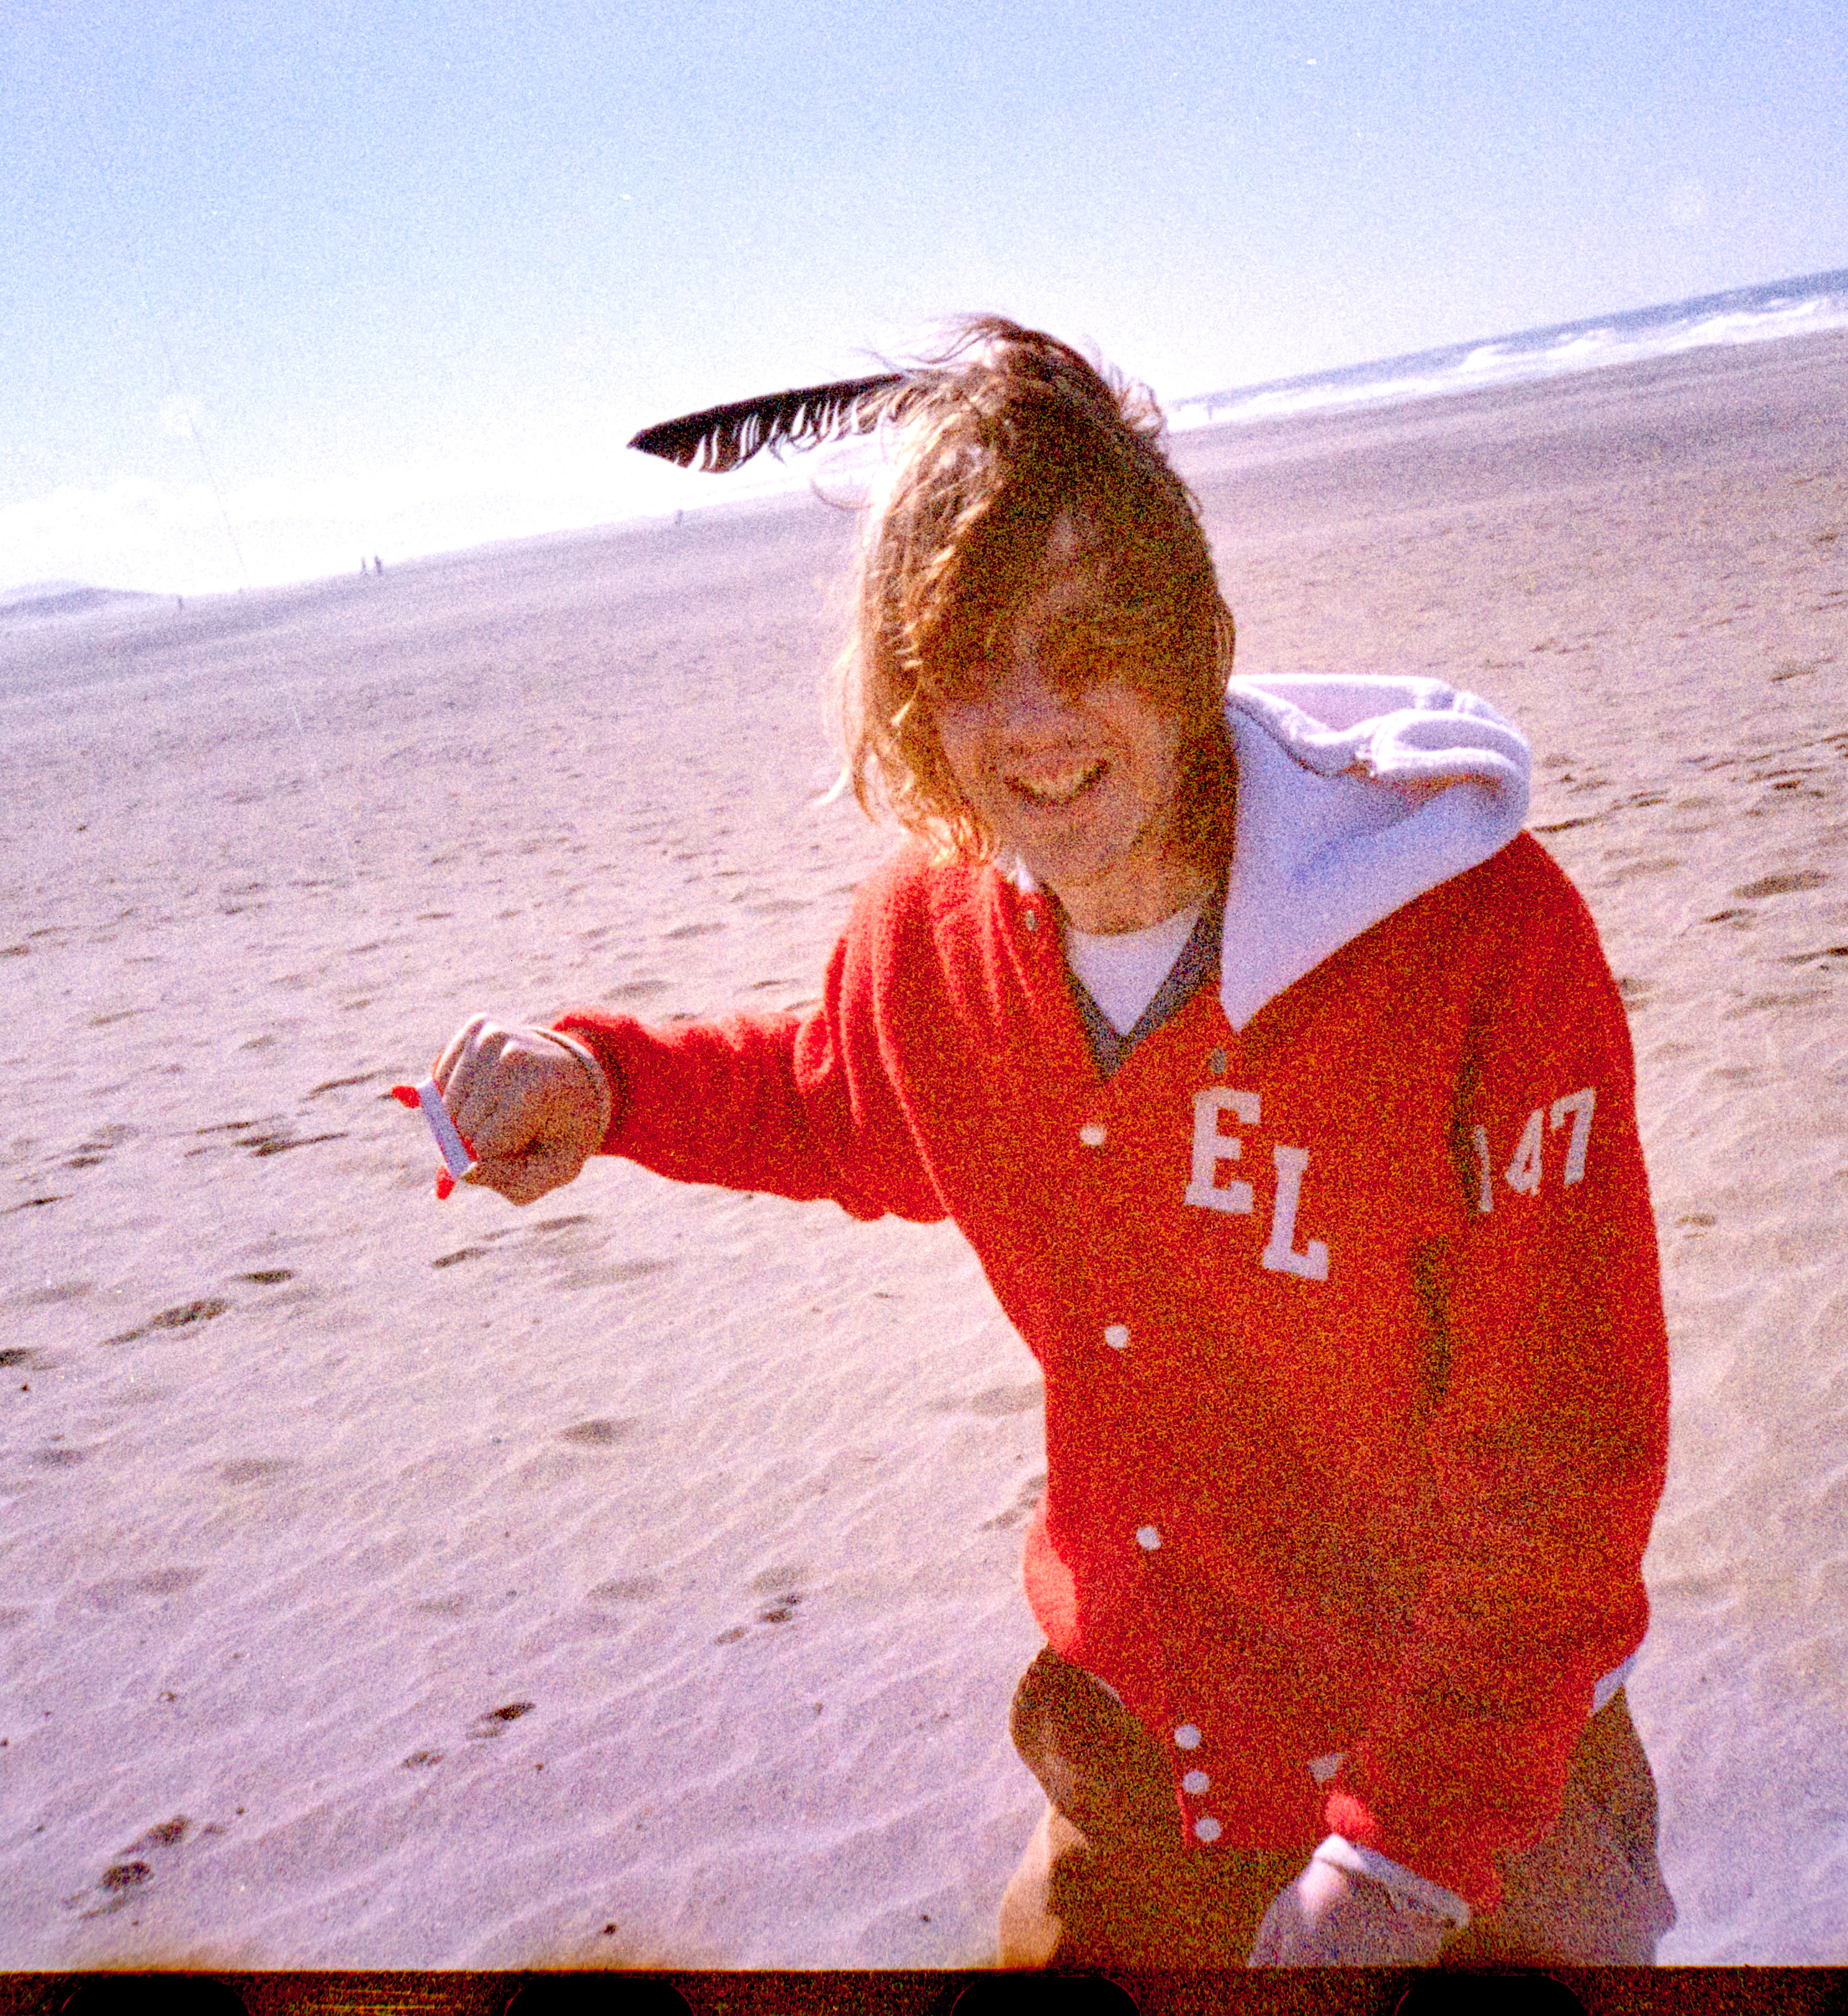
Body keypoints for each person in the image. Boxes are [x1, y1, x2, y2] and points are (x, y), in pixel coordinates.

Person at [429, 319, 1672, 1968]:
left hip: (1485, 1770)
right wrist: (606, 1081)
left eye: (1090, 638)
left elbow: (1566, 1453)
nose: (1034, 716)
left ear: (1192, 634)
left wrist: (1399, 1863)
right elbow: (833, 1097)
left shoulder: (1475, 937)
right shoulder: (935, 947)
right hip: (1143, 1755)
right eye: (971, 657)